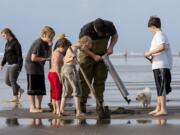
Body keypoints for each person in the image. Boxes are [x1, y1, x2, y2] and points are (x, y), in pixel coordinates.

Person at [79, 18, 118, 113]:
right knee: (85, 80)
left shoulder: (109, 25)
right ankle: (82, 103)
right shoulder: (86, 29)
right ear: (94, 28)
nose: (101, 34)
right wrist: (93, 55)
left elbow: (115, 35)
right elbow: (82, 46)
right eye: (99, 32)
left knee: (100, 78)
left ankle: (99, 103)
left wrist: (111, 47)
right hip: (87, 55)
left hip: (102, 55)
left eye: (103, 32)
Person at [144, 16, 172, 116]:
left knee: (162, 87)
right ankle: (158, 107)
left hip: (162, 65)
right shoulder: (158, 35)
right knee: (159, 87)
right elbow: (160, 50)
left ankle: (163, 109)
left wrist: (149, 52)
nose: (149, 30)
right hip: (157, 64)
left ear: (152, 26)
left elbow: (162, 47)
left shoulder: (160, 34)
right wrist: (150, 57)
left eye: (149, 28)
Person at [60, 36, 92, 117]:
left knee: (66, 90)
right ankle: (78, 112)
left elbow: (64, 60)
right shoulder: (73, 49)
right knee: (77, 90)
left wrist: (72, 58)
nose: (84, 50)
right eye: (86, 47)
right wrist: (72, 58)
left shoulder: (72, 48)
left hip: (65, 69)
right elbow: (65, 60)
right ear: (84, 44)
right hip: (70, 70)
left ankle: (61, 110)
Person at [25, 26, 55, 113]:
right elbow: (33, 58)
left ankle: (38, 106)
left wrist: (50, 46)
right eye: (50, 36)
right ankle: (32, 107)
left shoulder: (46, 43)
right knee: (33, 87)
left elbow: (49, 55)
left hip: (39, 66)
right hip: (31, 66)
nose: (51, 38)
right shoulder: (38, 43)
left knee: (40, 87)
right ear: (44, 34)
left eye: (52, 37)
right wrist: (45, 59)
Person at [48, 34, 71, 116]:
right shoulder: (58, 54)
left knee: (54, 93)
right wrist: (59, 76)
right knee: (58, 93)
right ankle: (58, 110)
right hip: (55, 74)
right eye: (65, 48)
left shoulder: (55, 52)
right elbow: (56, 66)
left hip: (51, 74)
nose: (65, 50)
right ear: (61, 46)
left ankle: (55, 109)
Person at [0, 28, 24, 102]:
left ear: (8, 34)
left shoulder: (15, 43)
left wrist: (20, 67)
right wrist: (2, 64)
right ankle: (20, 89)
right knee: (7, 81)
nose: (3, 37)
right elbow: (5, 55)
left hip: (15, 65)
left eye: (4, 35)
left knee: (12, 81)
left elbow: (20, 56)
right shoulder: (7, 43)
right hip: (9, 65)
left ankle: (15, 97)